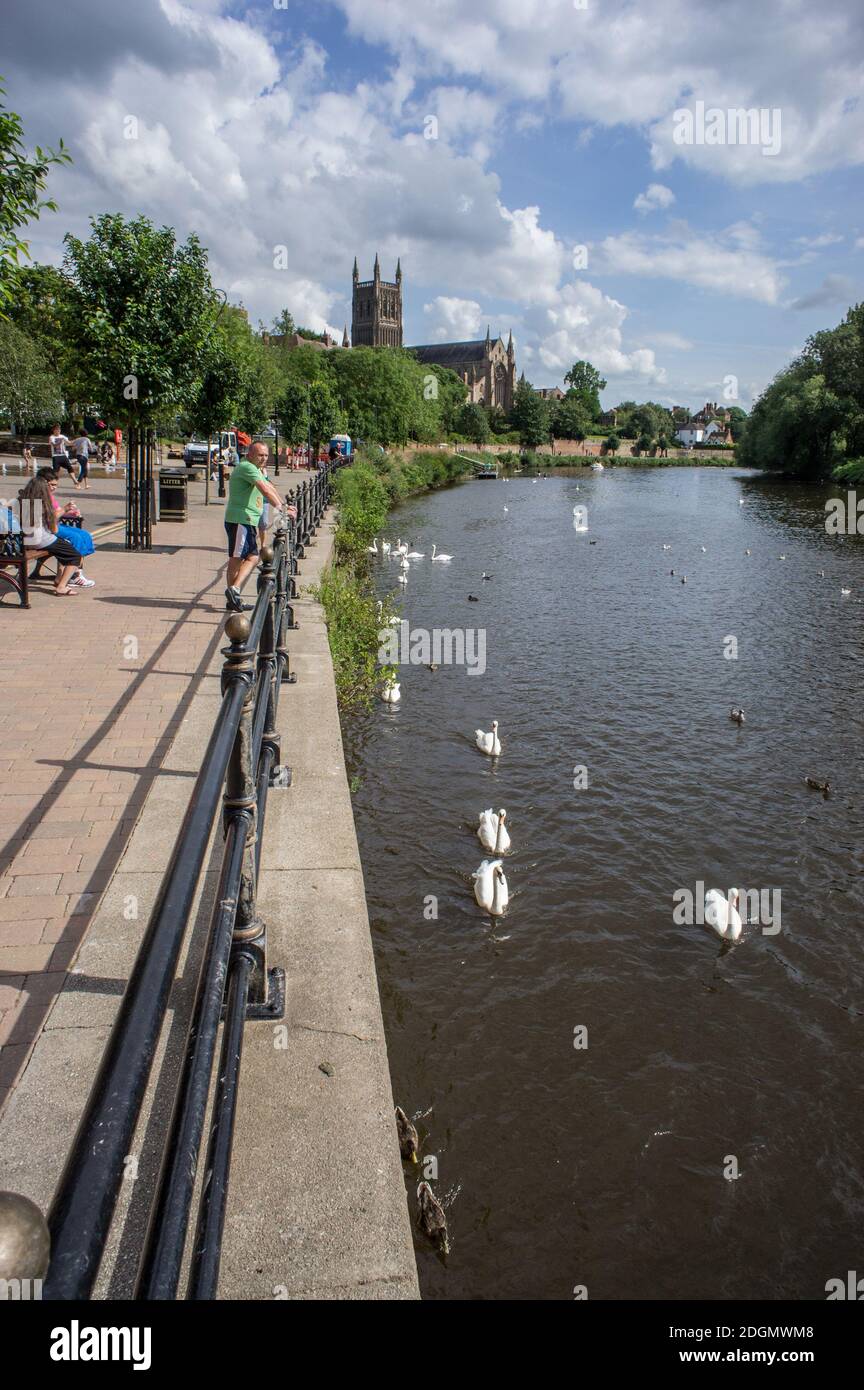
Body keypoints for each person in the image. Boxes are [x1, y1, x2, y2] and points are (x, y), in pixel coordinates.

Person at [223, 442, 295, 612]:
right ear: (250, 454)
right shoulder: (247, 467)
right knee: (240, 558)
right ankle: (233, 591)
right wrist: (282, 510)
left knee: (249, 557)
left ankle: (234, 596)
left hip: (246, 520)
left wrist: (284, 505)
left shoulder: (255, 469)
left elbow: (270, 487)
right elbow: (264, 490)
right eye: (260, 455)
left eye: (266, 455)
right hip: (240, 519)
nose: (263, 459)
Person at [18, 476, 87, 596]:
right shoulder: (45, 503)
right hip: (41, 540)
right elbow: (54, 529)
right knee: (75, 555)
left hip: (24, 541)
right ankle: (61, 586)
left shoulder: (21, 500)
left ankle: (58, 578)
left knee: (62, 547)